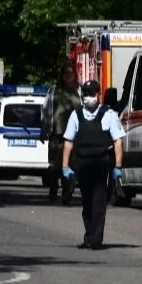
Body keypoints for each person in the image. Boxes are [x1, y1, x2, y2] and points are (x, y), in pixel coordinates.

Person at [61, 80, 125, 250]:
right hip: (82, 164)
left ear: (99, 94)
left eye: (92, 93)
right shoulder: (76, 115)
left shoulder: (109, 114)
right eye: (86, 93)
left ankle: (96, 238)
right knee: (87, 201)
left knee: (99, 201)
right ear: (82, 95)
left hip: (100, 163)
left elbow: (118, 141)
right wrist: (65, 166)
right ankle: (89, 235)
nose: (89, 97)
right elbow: (68, 142)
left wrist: (118, 166)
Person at [41, 62, 82, 204]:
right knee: (55, 167)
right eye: (65, 74)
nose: (68, 76)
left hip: (74, 137)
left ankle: (67, 194)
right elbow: (46, 110)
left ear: (74, 76)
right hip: (57, 135)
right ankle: (53, 190)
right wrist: (44, 129)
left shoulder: (80, 91)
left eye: (70, 74)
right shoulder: (53, 90)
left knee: (71, 166)